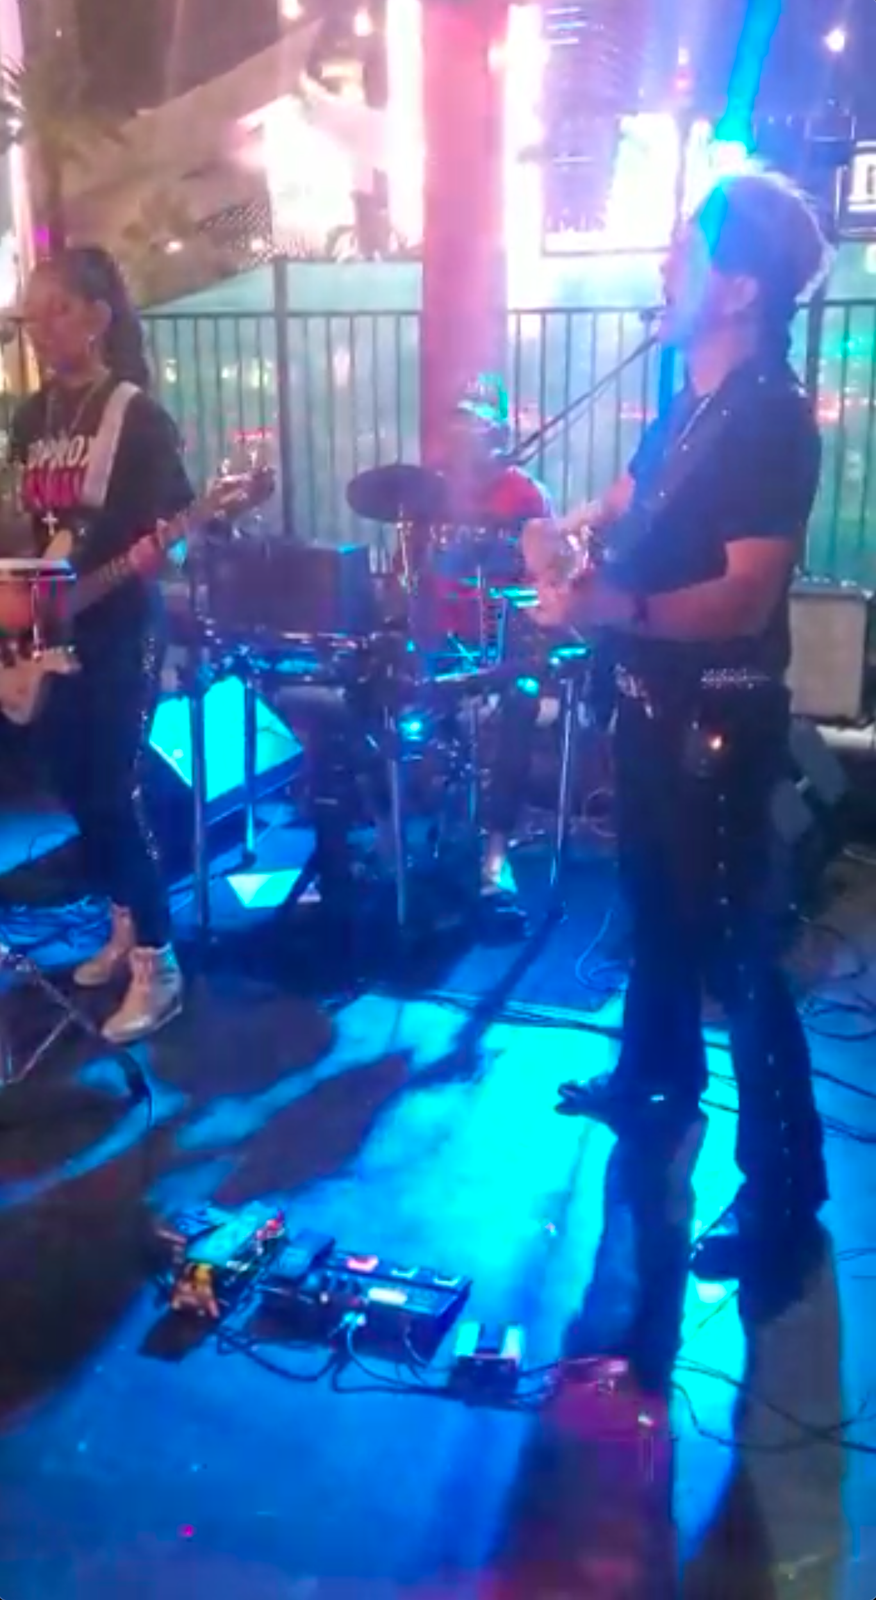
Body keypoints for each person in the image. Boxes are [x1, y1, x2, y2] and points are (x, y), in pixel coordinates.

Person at [526, 170, 830, 1291]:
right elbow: (624, 500)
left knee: (739, 956)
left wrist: (615, 606)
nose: (663, 266)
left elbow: (746, 597)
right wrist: (560, 528)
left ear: (740, 287)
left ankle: (785, 1193)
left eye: (684, 251)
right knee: (654, 906)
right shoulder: (690, 403)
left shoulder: (771, 417)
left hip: (721, 718)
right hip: (654, 710)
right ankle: (655, 1080)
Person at [2, 246, 194, 1043]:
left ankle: (158, 959)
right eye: (32, 311)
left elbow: (179, 525)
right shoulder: (31, 417)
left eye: (56, 310)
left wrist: (156, 554)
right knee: (73, 786)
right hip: (48, 623)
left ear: (97, 317)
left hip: (120, 624)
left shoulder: (136, 417)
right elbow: (29, 523)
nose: (39, 326)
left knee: (113, 788)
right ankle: (121, 920)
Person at [424, 378, 553, 894]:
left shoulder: (526, 495)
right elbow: (416, 572)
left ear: (497, 434)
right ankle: (398, 837)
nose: (464, 437)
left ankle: (497, 851)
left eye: (475, 426)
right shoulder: (432, 493)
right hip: (442, 643)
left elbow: (546, 578)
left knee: (518, 705)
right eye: (459, 425)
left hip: (506, 645)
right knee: (380, 690)